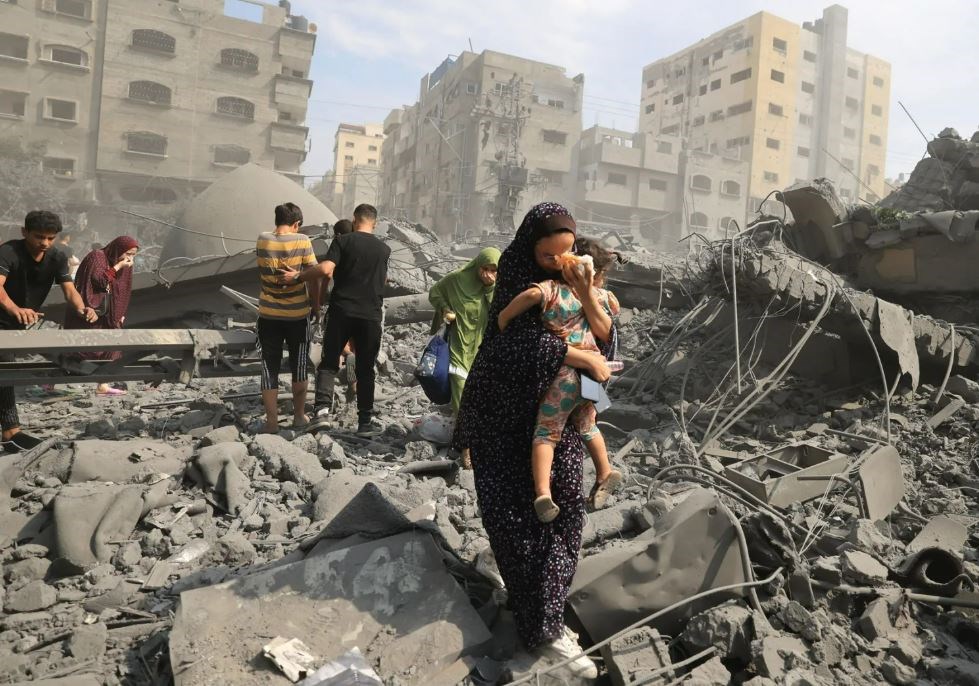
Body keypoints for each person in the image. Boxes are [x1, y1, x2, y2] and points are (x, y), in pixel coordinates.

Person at [454, 203, 612, 679]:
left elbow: (607, 341)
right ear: (531, 247)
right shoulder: (516, 277)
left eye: (567, 252)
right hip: (505, 425)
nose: (560, 261)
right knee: (517, 523)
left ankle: (541, 603)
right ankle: (543, 631)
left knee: (565, 514)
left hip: (556, 420)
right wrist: (576, 355)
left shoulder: (584, 285)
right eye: (550, 254)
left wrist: (586, 294)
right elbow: (505, 341)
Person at [497, 237, 622, 523]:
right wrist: (591, 287)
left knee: (546, 433)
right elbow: (611, 310)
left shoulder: (553, 291)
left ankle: (542, 493)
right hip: (593, 375)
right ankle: (604, 471)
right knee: (588, 425)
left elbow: (530, 297)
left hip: (564, 375)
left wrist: (504, 317)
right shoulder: (602, 297)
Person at [280, 204, 390, 437]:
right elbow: (384, 279)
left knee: (329, 363)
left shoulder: (343, 242)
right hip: (370, 315)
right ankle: (365, 423)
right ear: (375, 223)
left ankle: (321, 414)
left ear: (354, 219)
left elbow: (326, 269)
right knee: (365, 369)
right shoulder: (384, 249)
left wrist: (298, 276)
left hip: (343, 312)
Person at [0, 211, 98, 453]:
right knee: (4, 369)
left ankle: (11, 433)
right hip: (4, 317)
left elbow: (69, 290)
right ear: (24, 233)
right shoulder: (8, 252)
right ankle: (11, 431)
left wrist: (82, 308)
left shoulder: (56, 257)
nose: (44, 243)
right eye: (39, 237)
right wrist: (15, 309)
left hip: (25, 321)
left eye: (50, 238)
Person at [428, 247, 500, 467]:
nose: (488, 274)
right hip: (458, 349)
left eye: (494, 270)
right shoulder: (457, 280)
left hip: (482, 352)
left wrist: (491, 288)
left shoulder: (498, 288)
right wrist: (445, 309)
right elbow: (435, 293)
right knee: (463, 401)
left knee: (482, 399)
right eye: (485, 269)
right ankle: (466, 449)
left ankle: (482, 443)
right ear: (477, 266)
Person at [255, 202, 319, 433]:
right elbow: (314, 275)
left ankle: (271, 423)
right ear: (296, 224)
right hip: (297, 315)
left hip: (268, 315)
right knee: (299, 366)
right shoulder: (302, 240)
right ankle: (299, 416)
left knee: (268, 367)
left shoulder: (262, 239)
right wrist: (316, 306)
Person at [63, 236, 140, 396]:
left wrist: (121, 313)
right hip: (87, 308)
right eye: (127, 253)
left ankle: (103, 384)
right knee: (77, 348)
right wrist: (118, 266)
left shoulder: (126, 265)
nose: (129, 258)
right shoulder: (97, 256)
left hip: (108, 313)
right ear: (118, 249)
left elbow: (124, 290)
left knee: (113, 345)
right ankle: (51, 381)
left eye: (133, 255)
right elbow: (98, 281)